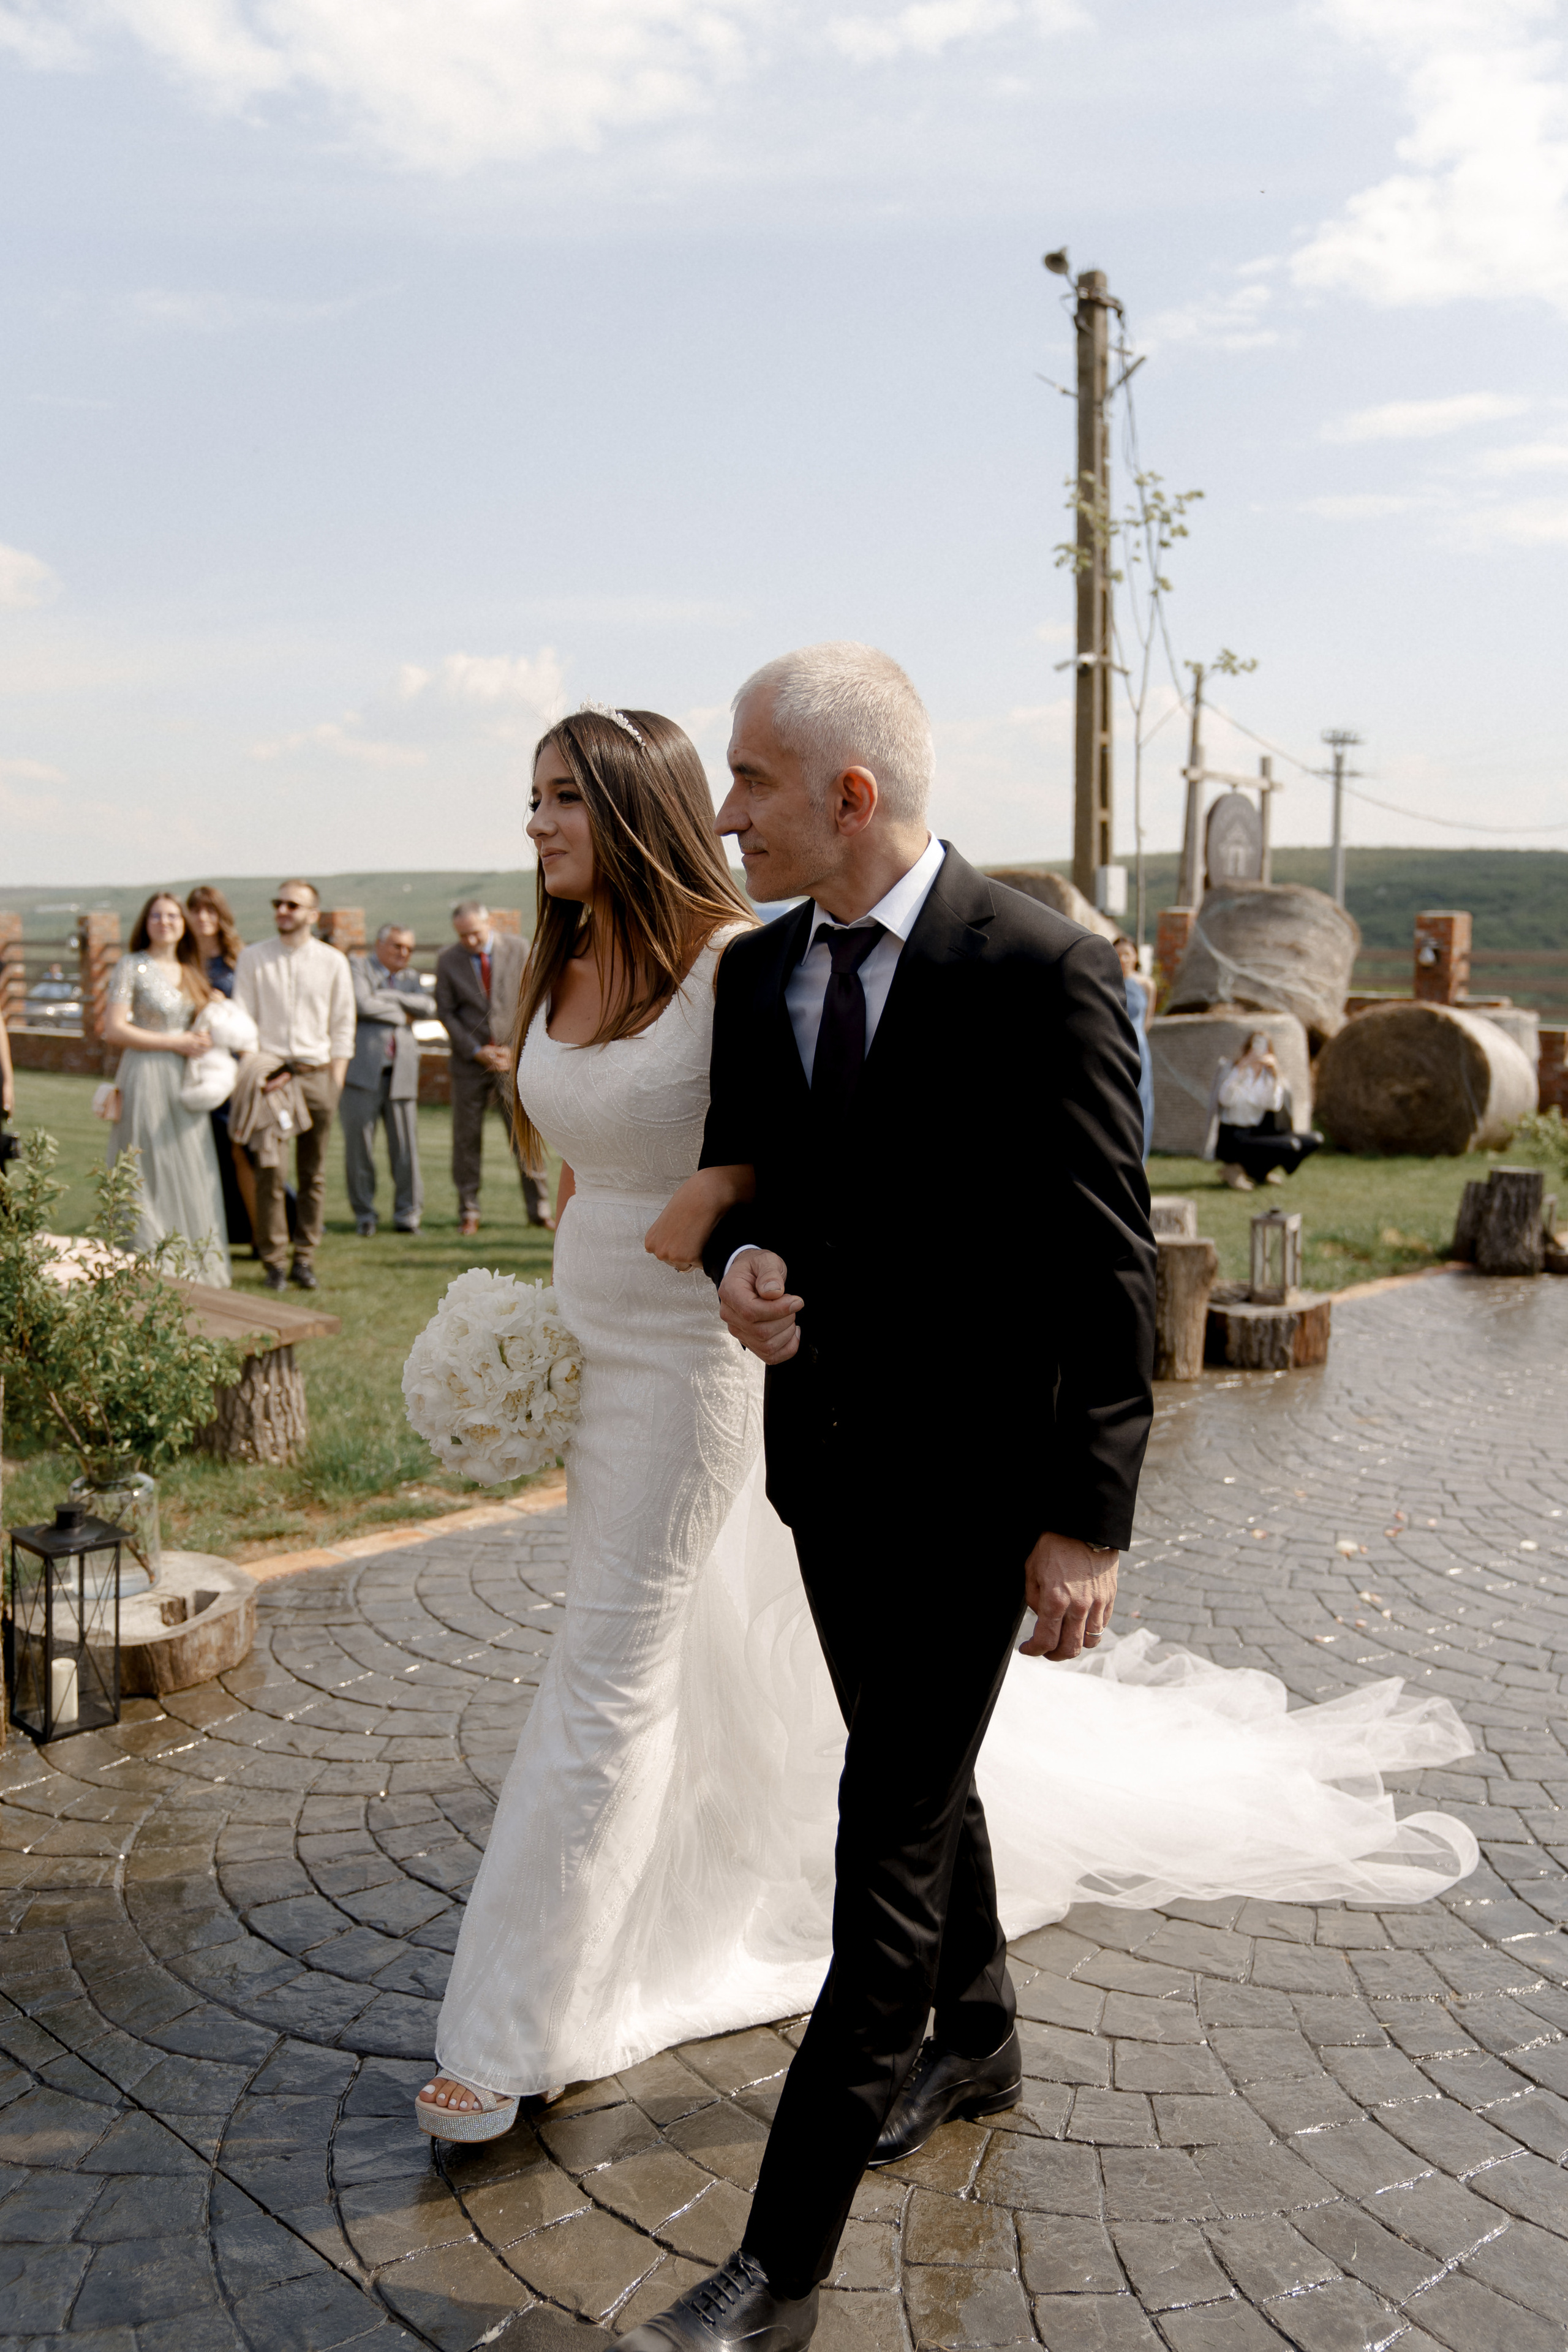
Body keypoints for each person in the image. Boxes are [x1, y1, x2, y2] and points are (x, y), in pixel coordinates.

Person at [415, 667, 1478, 2241]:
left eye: (753, 781)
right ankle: (976, 2032)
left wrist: (1086, 1521)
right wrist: (744, 1260)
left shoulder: (1037, 965)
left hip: (972, 1484)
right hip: (814, 1454)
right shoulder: (769, 962)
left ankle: (768, 2260)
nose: (724, 813)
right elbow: (776, 1184)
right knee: (900, 1754)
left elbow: (1107, 1261)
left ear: (847, 793)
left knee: (878, 1822)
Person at [101, 892, 229, 1285]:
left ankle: (193, 1256)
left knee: (190, 1161)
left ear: (183, 923)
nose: (165, 922)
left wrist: (213, 1011)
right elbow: (114, 1028)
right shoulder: (131, 966)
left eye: (172, 915)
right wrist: (176, 1043)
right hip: (145, 1072)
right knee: (147, 1160)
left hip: (186, 1079)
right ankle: (146, 1253)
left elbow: (202, 1023)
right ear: (146, 922)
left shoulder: (192, 970)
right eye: (156, 915)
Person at [232, 881, 354, 1292]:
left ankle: (305, 1257)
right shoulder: (253, 957)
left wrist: (335, 1082)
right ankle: (274, 1260)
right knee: (270, 1169)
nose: (283, 910)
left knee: (313, 1173)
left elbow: (342, 1026)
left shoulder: (333, 961)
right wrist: (261, 1074)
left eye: (292, 904)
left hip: (317, 1075)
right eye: (278, 903)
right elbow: (243, 1022)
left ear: (312, 914)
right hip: (272, 1080)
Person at [435, 903, 552, 1237]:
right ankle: (468, 1210)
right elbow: (446, 1012)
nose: (470, 940)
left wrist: (515, 1051)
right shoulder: (447, 960)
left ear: (489, 925)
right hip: (469, 1063)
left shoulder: (518, 948)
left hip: (513, 1060)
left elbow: (537, 998)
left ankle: (540, 1209)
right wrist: (475, 1051)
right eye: (463, 935)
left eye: (475, 933)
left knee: (524, 1137)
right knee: (466, 1140)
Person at [342, 924, 436, 1236]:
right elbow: (360, 1003)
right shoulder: (358, 966)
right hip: (363, 1073)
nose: (404, 953)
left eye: (409, 948)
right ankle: (365, 1215)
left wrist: (390, 995)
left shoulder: (410, 978)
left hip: (402, 1073)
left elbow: (428, 1007)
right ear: (379, 945)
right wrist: (402, 1012)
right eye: (397, 946)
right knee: (360, 1149)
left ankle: (408, 1216)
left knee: (406, 1149)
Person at [186, 886, 253, 1250]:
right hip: (192, 1066)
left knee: (238, 1149)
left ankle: (257, 1230)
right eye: (196, 911)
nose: (203, 918)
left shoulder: (239, 961)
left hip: (233, 1068)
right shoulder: (182, 962)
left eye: (210, 911)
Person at [1203, 1028, 1324, 1192]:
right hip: (1234, 1136)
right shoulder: (1234, 1070)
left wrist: (1276, 1073)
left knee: (1313, 1140)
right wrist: (1242, 1067)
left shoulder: (1269, 1077)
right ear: (1248, 1048)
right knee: (1289, 1146)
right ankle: (1235, 1169)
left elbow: (1274, 1104)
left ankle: (1259, 1171)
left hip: (1257, 1132)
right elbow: (1225, 1099)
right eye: (1256, 1046)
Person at [1114, 932, 1155, 1158]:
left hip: (1140, 1046)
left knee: (1142, 1100)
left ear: (1136, 956)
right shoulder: (1109, 981)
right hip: (1117, 1043)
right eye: (1119, 954)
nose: (1123, 959)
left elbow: (1148, 1019)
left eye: (1127, 954)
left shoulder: (1147, 984)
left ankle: (1141, 1157)